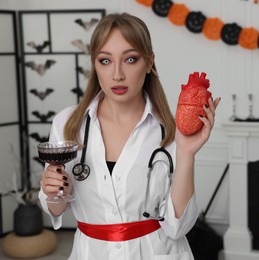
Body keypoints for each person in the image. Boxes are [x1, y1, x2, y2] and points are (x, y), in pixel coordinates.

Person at [38, 12, 220, 259]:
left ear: (149, 62)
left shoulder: (171, 132)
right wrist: (53, 192)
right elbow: (57, 208)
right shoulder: (68, 124)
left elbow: (178, 228)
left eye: (130, 59)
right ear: (94, 64)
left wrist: (186, 152)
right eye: (105, 61)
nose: (117, 74)